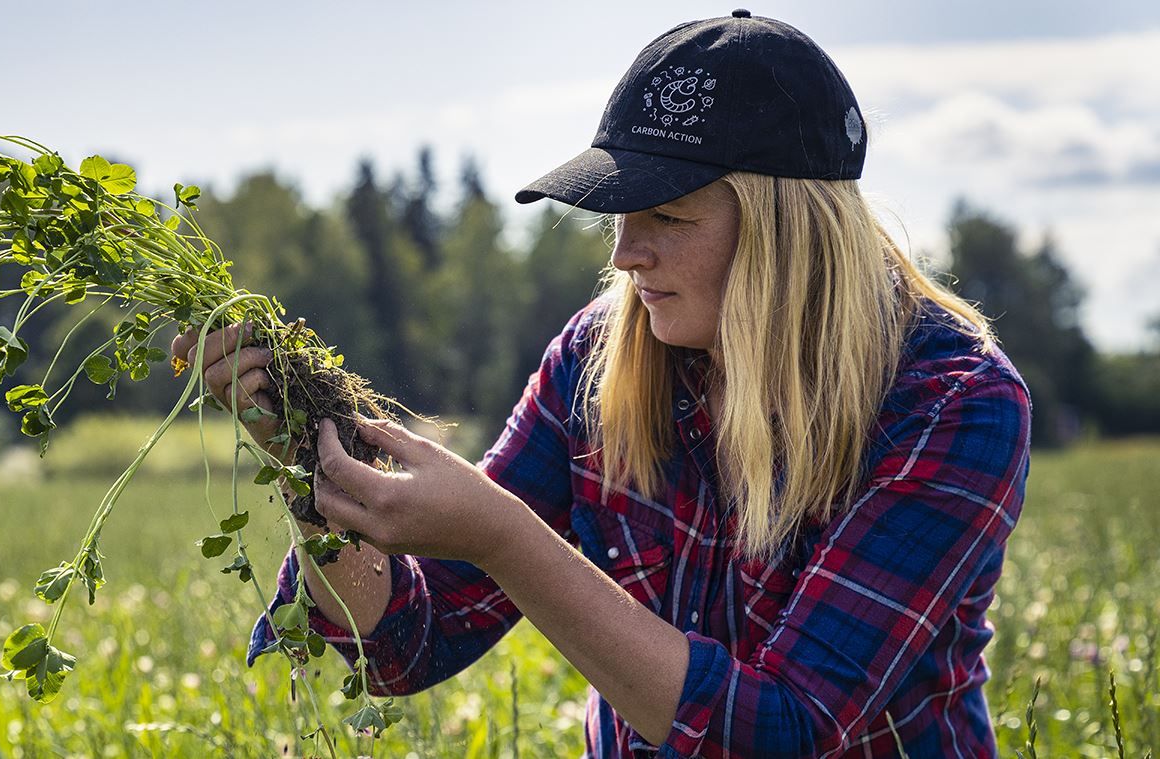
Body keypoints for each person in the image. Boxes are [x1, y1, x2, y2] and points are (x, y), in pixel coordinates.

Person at [172, 10, 1031, 758]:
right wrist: (309, 462)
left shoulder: (952, 402)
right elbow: (409, 641)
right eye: (620, 214)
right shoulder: (599, 357)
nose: (625, 254)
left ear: (784, 229)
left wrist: (505, 538)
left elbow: (783, 729)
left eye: (667, 215)